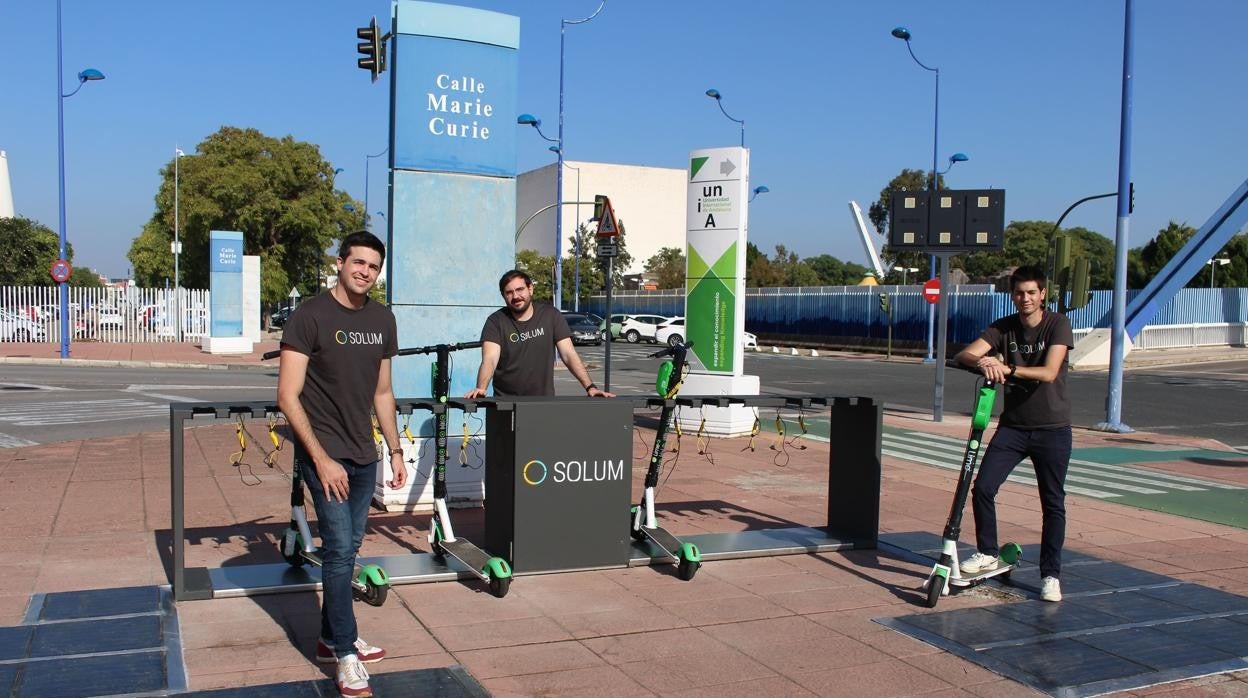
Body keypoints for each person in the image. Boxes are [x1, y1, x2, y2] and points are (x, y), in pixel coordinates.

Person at [277, 230, 407, 697]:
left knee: (349, 551)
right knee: (336, 552)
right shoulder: (309, 315)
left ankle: (331, 639)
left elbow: (382, 392)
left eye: (373, 266)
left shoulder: (383, 319)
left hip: (364, 454)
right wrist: (320, 458)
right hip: (325, 454)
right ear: (339, 262)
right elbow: (287, 396)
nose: (365, 272)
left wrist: (394, 450)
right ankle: (347, 653)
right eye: (358, 263)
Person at [954, 265, 1074, 603]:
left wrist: (1007, 367)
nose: (1025, 299)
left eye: (1032, 293)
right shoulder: (1003, 327)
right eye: (1020, 293)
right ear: (1013, 295)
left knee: (1053, 503)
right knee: (983, 488)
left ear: (1042, 295)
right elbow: (964, 354)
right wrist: (984, 362)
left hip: (1053, 429)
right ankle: (988, 552)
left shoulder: (1057, 324)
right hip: (1014, 428)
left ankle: (1050, 574)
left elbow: (1050, 372)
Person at [466, 269, 614, 398]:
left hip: (542, 403)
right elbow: (490, 359)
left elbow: (569, 354)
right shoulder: (496, 321)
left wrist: (590, 387)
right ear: (503, 295)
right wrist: (481, 387)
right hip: (505, 403)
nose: (515, 296)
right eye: (509, 292)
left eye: (520, 289)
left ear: (530, 289)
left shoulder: (551, 316)